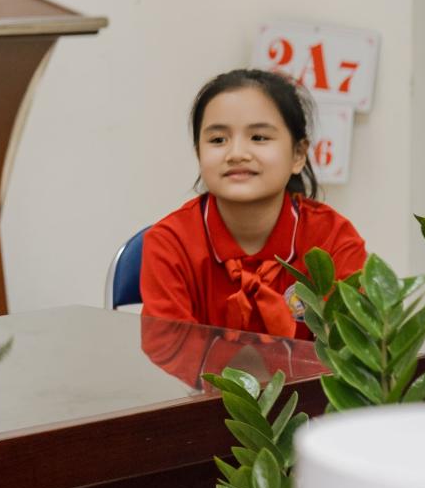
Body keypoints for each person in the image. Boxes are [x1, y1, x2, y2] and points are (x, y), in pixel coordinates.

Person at [140, 68, 364, 336]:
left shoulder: (333, 240)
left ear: (298, 154)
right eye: (218, 140)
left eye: (259, 137)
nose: (236, 154)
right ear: (199, 153)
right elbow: (167, 350)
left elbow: (352, 346)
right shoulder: (169, 244)